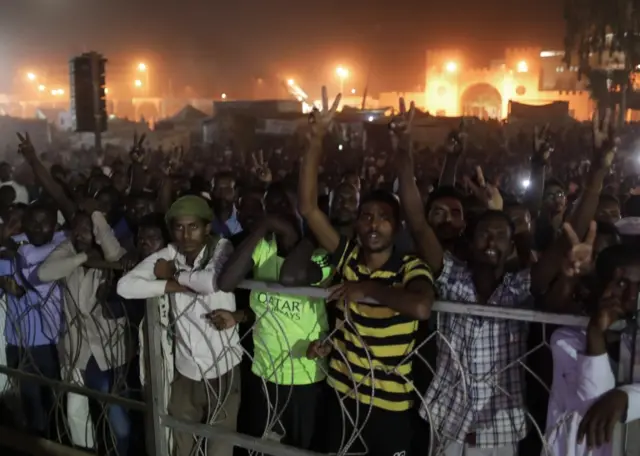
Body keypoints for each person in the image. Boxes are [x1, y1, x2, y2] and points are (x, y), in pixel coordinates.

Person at [298, 89, 435, 456]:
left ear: (397, 226)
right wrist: (315, 142)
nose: (374, 226)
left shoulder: (410, 266)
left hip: (389, 407)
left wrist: (365, 289)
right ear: (357, 223)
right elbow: (310, 208)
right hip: (342, 396)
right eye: (367, 217)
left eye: (384, 219)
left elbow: (421, 307)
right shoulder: (347, 256)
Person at [117, 195, 242, 456]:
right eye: (178, 227)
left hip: (223, 368)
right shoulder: (171, 252)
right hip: (186, 371)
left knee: (219, 447)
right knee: (183, 446)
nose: (185, 235)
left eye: (193, 227)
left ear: (207, 228)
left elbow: (210, 283)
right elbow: (125, 286)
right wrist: (175, 285)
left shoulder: (222, 247)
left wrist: (173, 274)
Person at [215, 185, 331, 452]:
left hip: (304, 377)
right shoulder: (264, 249)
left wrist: (300, 236)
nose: (279, 214)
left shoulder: (321, 256)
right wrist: (261, 229)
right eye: (272, 208)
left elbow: (290, 276)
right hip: (264, 373)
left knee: (301, 450)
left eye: (285, 207)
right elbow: (227, 281)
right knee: (261, 449)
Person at [38, 208, 131, 455]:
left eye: (86, 229)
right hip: (75, 347)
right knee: (75, 411)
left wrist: (97, 219)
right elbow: (43, 273)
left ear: (99, 233)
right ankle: (85, 451)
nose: (79, 234)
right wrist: (82, 258)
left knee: (115, 413)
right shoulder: (69, 252)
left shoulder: (113, 257)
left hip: (107, 349)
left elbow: (114, 255)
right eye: (75, 229)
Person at [1, 203, 66, 437]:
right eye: (33, 222)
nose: (38, 227)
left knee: (49, 409)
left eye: (44, 222)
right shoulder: (12, 251)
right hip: (16, 341)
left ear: (55, 225)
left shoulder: (58, 248)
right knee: (27, 408)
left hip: (46, 343)